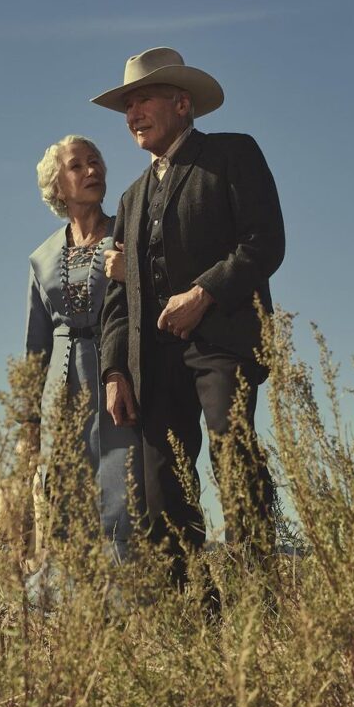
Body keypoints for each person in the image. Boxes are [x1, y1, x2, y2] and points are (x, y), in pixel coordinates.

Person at [92, 48, 284, 584]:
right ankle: (189, 617)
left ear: (181, 103)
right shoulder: (129, 201)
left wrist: (202, 294)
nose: (132, 114)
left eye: (142, 100)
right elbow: (115, 302)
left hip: (222, 343)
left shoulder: (232, 155)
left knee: (234, 463)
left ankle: (256, 603)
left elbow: (263, 243)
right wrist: (113, 371)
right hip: (152, 362)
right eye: (127, 105)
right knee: (161, 487)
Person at [16, 134, 144, 562]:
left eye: (96, 161)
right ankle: (65, 613)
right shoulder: (41, 258)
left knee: (122, 486)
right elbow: (35, 346)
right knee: (62, 492)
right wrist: (28, 420)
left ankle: (126, 601)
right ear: (57, 187)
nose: (93, 170)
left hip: (118, 378)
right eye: (78, 166)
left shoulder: (127, 236)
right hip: (59, 392)